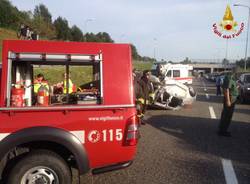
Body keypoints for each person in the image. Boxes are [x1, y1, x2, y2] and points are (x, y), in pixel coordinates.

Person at [218, 71, 238, 137]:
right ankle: (223, 131)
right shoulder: (229, 79)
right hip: (231, 98)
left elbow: (227, 89)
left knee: (225, 114)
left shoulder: (228, 79)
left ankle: (222, 130)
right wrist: (228, 100)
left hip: (231, 98)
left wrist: (236, 88)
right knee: (227, 115)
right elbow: (226, 90)